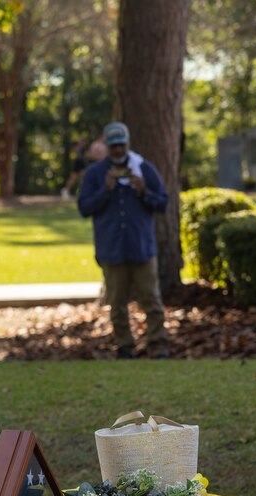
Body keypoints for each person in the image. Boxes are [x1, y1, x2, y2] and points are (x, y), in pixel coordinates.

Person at [77, 121, 170, 359]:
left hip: (141, 247)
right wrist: (105, 190)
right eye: (113, 146)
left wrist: (143, 191)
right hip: (112, 248)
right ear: (107, 147)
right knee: (117, 303)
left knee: (152, 299)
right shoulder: (95, 174)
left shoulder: (144, 169)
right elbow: (84, 207)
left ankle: (157, 345)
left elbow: (162, 202)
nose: (118, 150)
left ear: (128, 144)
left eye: (121, 145)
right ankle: (125, 346)